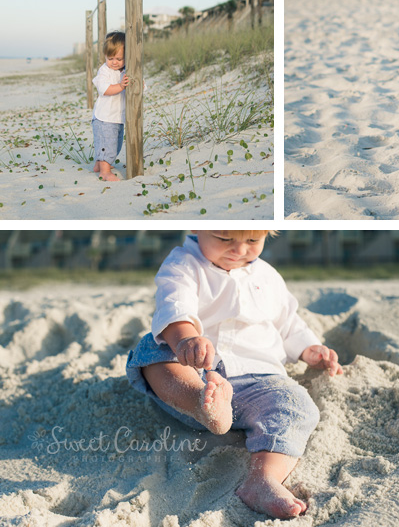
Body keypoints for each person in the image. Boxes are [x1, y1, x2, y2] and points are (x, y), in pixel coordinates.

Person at [126, 229, 342, 520]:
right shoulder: (183, 264)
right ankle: (201, 405)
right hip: (197, 371)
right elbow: (174, 308)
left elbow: (288, 323)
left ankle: (263, 479)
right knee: (152, 348)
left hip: (259, 381)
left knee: (296, 405)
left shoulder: (268, 277)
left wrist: (309, 349)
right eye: (225, 239)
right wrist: (186, 340)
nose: (239, 250)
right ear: (196, 228)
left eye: (253, 241)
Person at [92, 31, 129, 180]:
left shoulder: (126, 70)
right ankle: (104, 171)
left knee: (116, 144)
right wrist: (120, 86)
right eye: (110, 58)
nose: (114, 62)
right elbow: (105, 89)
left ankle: (99, 163)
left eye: (119, 58)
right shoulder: (104, 71)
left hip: (117, 117)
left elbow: (140, 85)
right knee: (108, 144)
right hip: (104, 117)